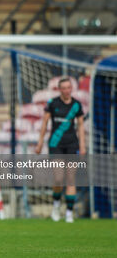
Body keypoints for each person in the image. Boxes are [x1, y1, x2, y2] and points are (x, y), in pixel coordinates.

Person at [35, 77, 86, 223]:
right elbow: (44, 123)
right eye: (63, 88)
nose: (66, 90)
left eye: (68, 87)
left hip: (71, 145)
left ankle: (69, 213)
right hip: (55, 144)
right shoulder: (53, 103)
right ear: (59, 89)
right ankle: (56, 206)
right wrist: (39, 143)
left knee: (71, 179)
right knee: (58, 178)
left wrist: (82, 146)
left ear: (71, 89)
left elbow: (81, 126)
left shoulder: (76, 105)